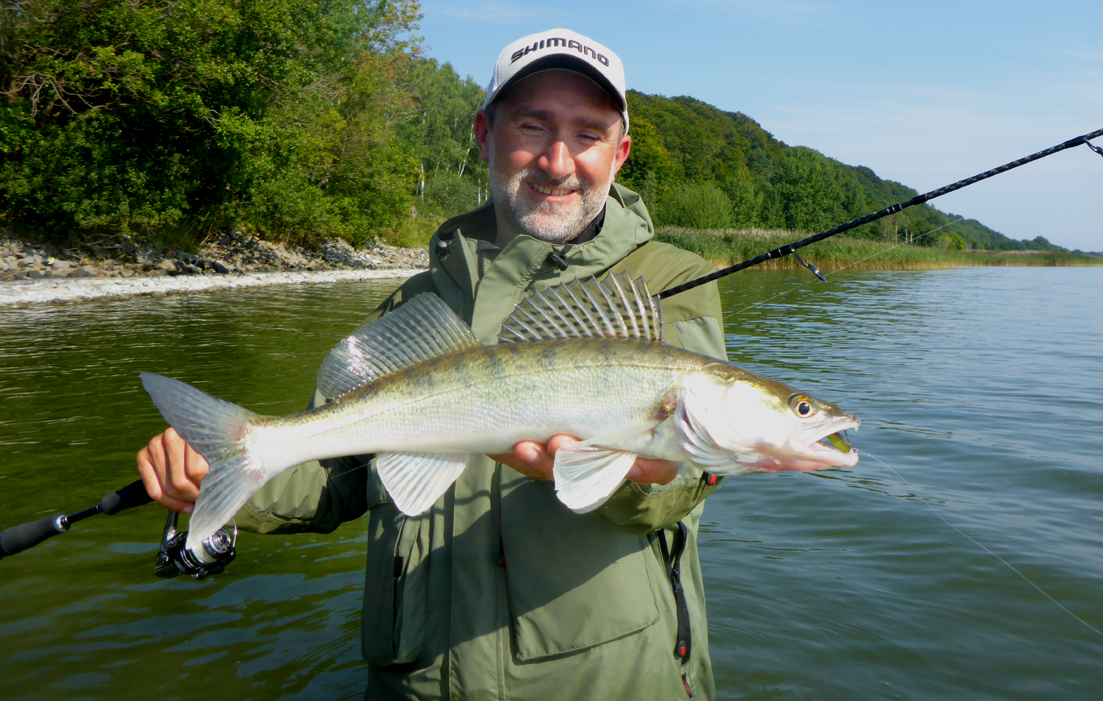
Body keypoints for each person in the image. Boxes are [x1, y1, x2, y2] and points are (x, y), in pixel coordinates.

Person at [138, 28, 727, 700]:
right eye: (532, 125)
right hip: (413, 682)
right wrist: (225, 468)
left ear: (619, 153)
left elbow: (685, 482)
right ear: (483, 133)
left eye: (588, 133)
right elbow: (335, 476)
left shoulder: (663, 283)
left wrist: (636, 475)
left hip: (606, 684)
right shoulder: (413, 302)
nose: (558, 160)